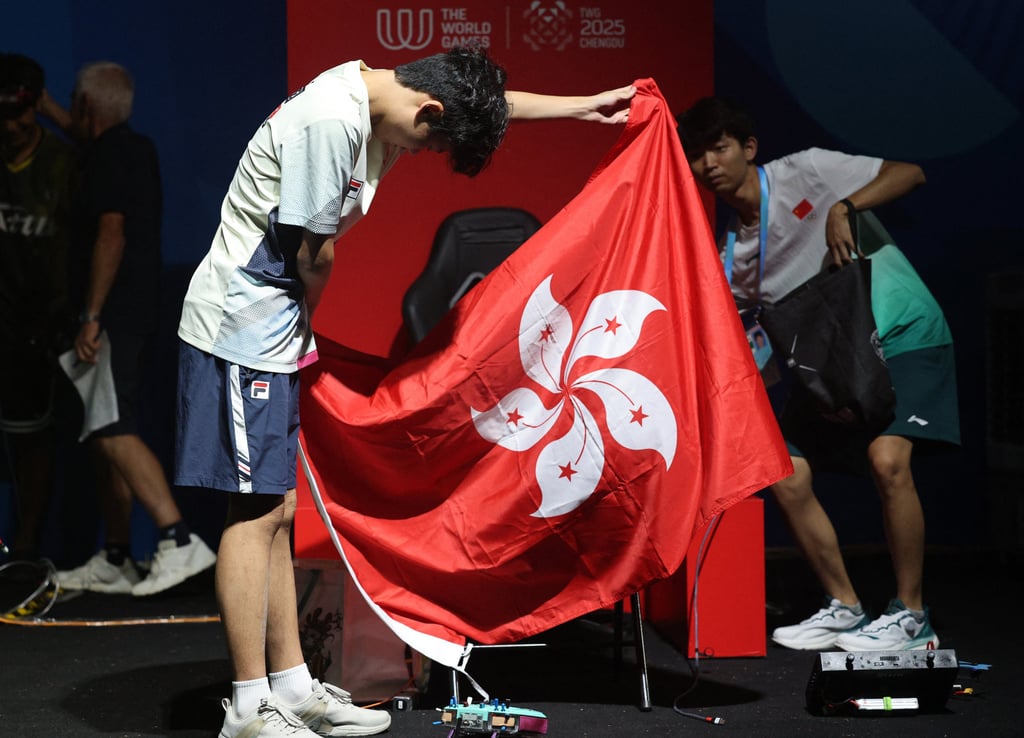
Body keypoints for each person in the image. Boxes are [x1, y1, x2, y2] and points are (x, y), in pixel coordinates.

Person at [176, 48, 634, 738]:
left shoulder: (384, 93)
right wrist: (307, 320)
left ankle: (293, 687)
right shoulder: (332, 123)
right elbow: (312, 256)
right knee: (252, 513)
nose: (422, 155)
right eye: (434, 143)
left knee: (280, 507)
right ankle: (247, 706)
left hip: (272, 329)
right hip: (240, 330)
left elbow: (482, 102)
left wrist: (585, 105)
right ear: (428, 111)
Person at [676, 96, 959, 652]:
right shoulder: (729, 254)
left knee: (888, 460)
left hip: (900, 329)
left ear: (747, 148)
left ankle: (911, 616)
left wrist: (844, 208)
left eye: (720, 147)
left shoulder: (806, 169)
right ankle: (846, 608)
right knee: (784, 469)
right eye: (696, 154)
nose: (709, 163)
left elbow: (911, 173)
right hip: (836, 364)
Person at [55, 61, 216, 596]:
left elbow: (112, 232)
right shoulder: (130, 148)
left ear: (86, 108)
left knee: (111, 427)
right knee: (104, 432)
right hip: (135, 312)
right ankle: (118, 555)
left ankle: (178, 539)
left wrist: (92, 315)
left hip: (113, 316)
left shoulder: (108, 156)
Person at [0, 53, 77, 560]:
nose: (11, 127)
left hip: (33, 326)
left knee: (31, 442)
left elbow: (103, 151)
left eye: (20, 116)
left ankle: (26, 544)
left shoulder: (62, 162)